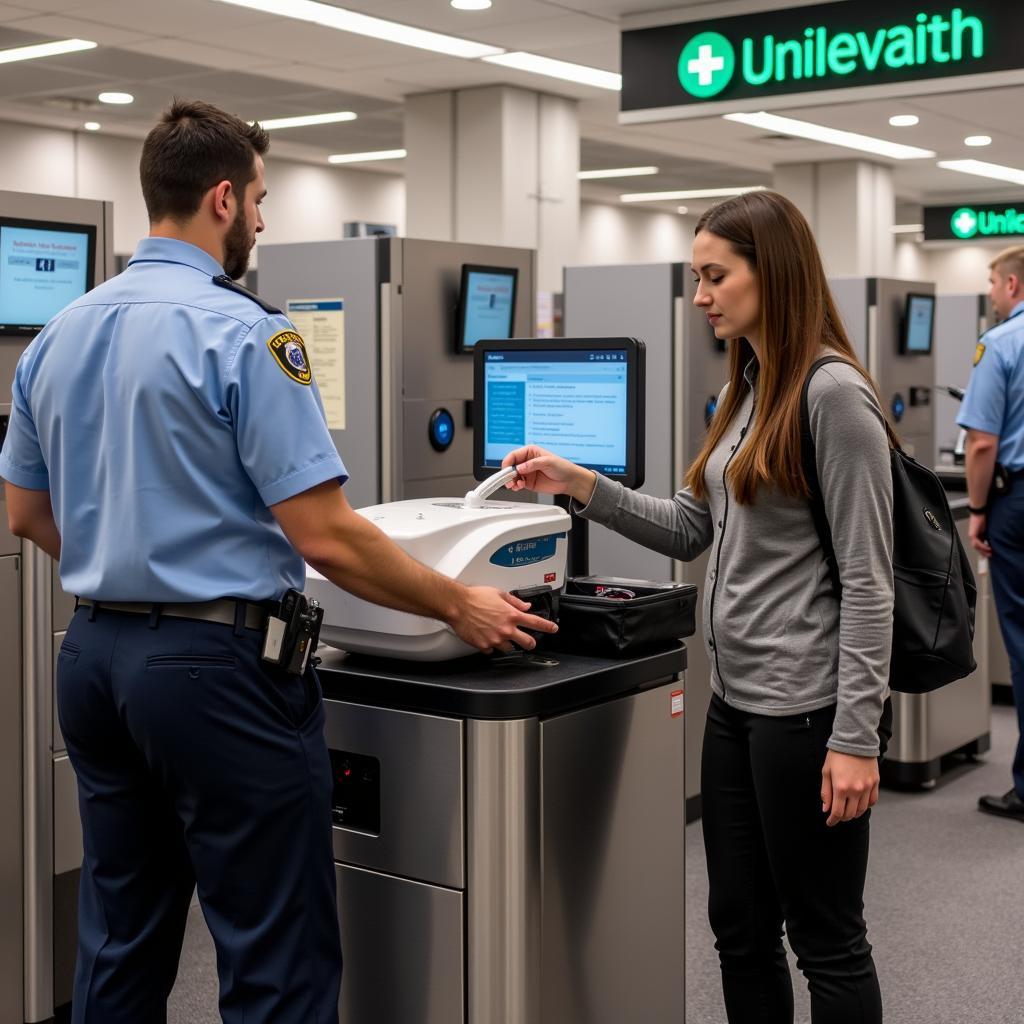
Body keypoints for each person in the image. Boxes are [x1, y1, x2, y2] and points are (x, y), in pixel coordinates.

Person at [0, 99, 555, 1024]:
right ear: (222, 198)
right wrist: (460, 605)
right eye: (259, 199)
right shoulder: (252, 334)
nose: (261, 220)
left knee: (121, 935)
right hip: (217, 676)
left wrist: (128, 565)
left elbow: (24, 510)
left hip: (93, 660)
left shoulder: (61, 333)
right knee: (275, 954)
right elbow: (327, 535)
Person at [502, 190, 893, 1023]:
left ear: (773, 274)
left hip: (806, 713)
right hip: (736, 708)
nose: (702, 296)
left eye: (716, 276)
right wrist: (579, 484)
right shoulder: (748, 389)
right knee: (739, 930)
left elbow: (869, 579)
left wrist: (857, 736)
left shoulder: (833, 395)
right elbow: (690, 530)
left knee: (826, 939)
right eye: (697, 277)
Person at [958, 244, 1024, 823]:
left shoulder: (1001, 343)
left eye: (990, 281)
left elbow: (982, 442)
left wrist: (978, 509)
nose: (988, 292)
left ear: (1012, 285)